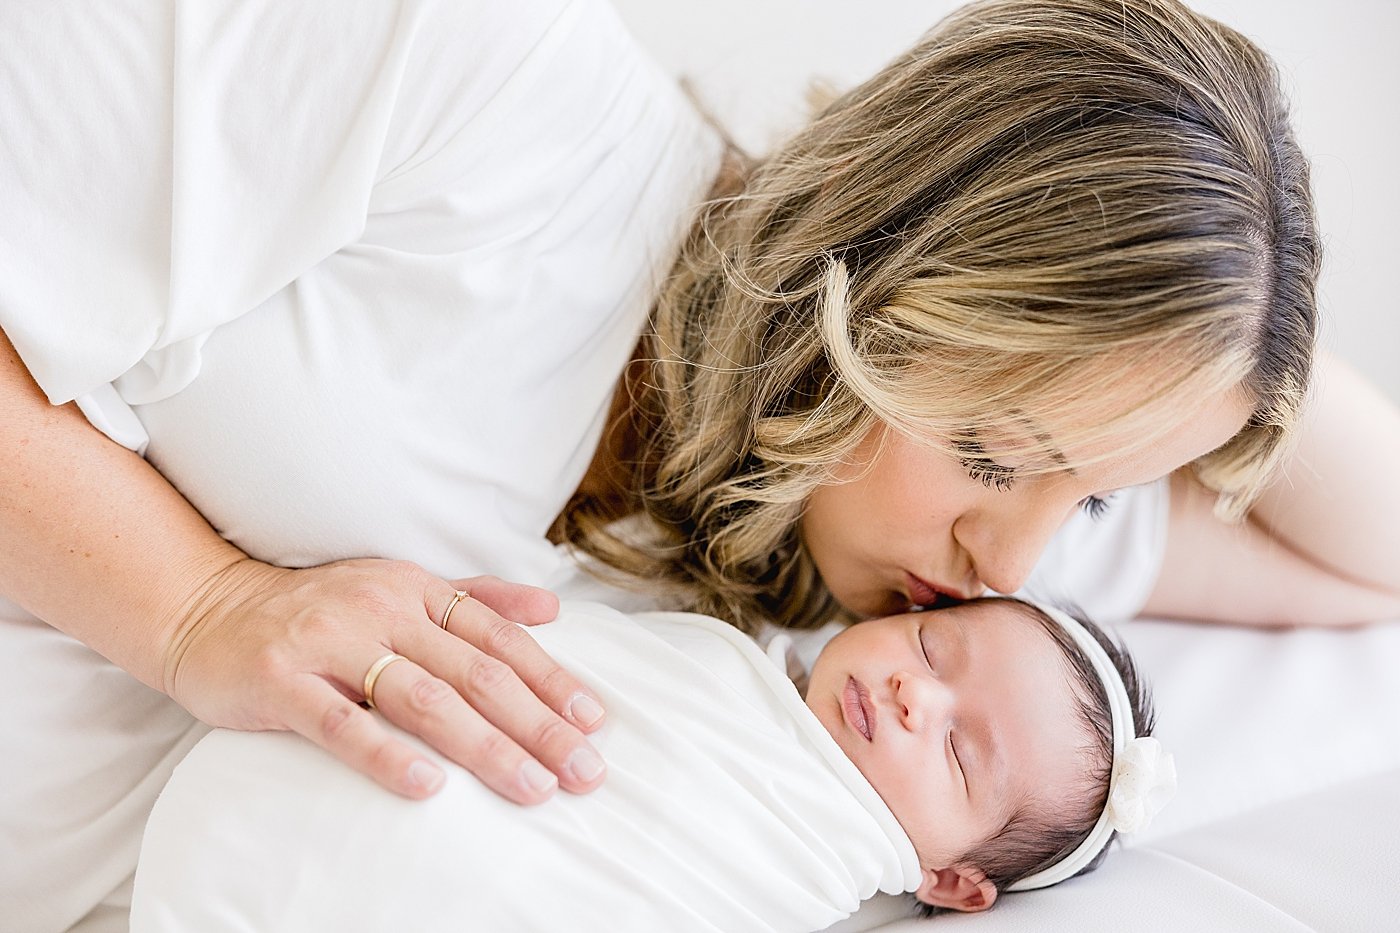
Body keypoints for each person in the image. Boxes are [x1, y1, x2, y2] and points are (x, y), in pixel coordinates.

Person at [2, 0, 1398, 928]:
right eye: (992, 452)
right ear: (874, 271)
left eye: (1090, 493)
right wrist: (196, 607)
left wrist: (1236, 280)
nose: (1016, 566)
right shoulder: (464, 79)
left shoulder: (882, 575)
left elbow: (1374, 559)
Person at [131, 596, 1173, 930]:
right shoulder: (718, 656)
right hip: (260, 802)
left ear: (948, 882)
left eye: (955, 751)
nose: (913, 694)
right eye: (932, 649)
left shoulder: (806, 864)